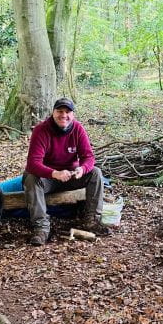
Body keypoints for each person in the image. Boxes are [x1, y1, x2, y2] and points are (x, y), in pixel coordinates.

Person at [23, 97, 110, 246]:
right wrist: (54, 173)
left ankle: (91, 220)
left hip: (71, 175)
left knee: (95, 172)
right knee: (31, 178)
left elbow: (88, 157)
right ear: (53, 112)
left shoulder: (78, 129)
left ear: (73, 114)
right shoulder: (41, 130)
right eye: (60, 111)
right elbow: (32, 163)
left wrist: (82, 169)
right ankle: (41, 229)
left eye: (68, 112)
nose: (64, 115)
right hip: (47, 178)